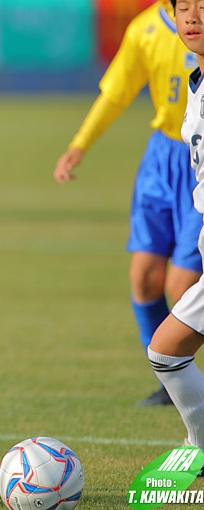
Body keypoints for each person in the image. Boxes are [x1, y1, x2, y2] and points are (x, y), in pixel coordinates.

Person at [53, 0, 202, 407]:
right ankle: (170, 383)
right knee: (143, 279)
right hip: (161, 159)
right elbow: (116, 93)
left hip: (198, 164)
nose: (192, 15)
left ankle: (184, 375)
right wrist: (79, 145)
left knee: (182, 286)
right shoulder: (145, 29)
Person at [149, 0, 204, 455]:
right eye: (183, 7)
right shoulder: (195, 83)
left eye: (203, 7)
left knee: (166, 350)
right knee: (166, 351)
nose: (192, 17)